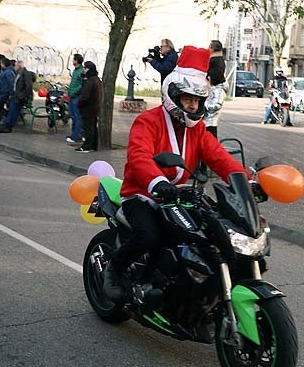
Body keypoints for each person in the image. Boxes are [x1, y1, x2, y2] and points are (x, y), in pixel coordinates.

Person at [101, 46, 247, 303]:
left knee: (210, 234)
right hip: (142, 194)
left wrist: (246, 180)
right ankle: (115, 268)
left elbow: (219, 156)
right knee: (150, 235)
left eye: (197, 101)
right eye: (188, 99)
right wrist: (157, 182)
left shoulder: (197, 130)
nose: (192, 105)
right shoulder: (148, 121)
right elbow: (139, 156)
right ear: (174, 96)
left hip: (177, 196)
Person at [0, 60, 36, 133]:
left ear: (19, 66)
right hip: (16, 95)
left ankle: (8, 125)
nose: (14, 67)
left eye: (15, 65)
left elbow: (28, 86)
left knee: (13, 109)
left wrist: (23, 96)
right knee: (12, 109)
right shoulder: (18, 73)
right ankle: (7, 124)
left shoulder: (26, 74)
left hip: (20, 96)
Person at [76, 61, 101, 152]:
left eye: (85, 68)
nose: (84, 70)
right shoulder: (96, 79)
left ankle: (87, 146)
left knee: (88, 128)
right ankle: (94, 145)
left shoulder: (90, 81)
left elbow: (85, 95)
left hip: (88, 108)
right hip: (95, 107)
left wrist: (79, 104)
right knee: (93, 127)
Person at [204, 40, 226, 137]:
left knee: (210, 131)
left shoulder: (215, 62)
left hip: (214, 93)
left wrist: (203, 104)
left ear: (212, 49)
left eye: (209, 47)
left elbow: (215, 105)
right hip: (214, 91)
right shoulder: (217, 60)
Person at [66, 53, 85, 145]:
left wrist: (74, 92)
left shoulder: (81, 71)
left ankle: (75, 136)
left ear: (77, 61)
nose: (72, 61)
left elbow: (82, 84)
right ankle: (75, 134)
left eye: (74, 59)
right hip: (72, 96)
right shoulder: (75, 71)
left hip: (76, 97)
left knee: (77, 117)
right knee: (73, 116)